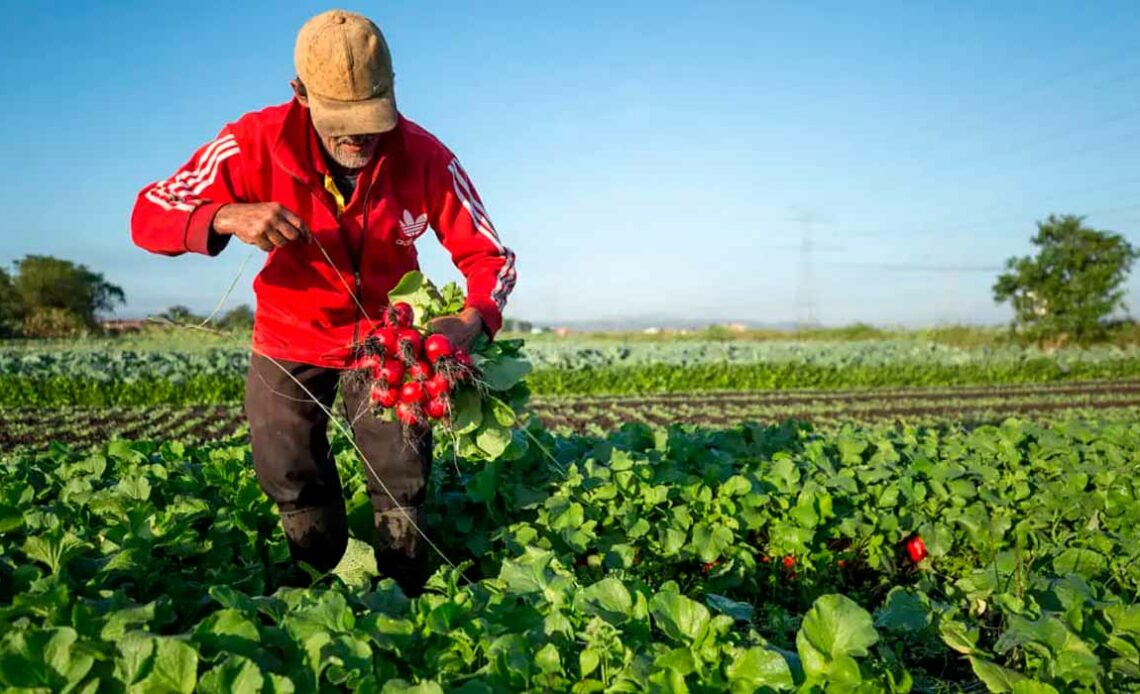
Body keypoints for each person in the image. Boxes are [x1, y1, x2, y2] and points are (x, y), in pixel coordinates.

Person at [130, 9, 516, 594]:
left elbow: (492, 258)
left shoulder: (424, 155)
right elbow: (149, 212)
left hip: (386, 344)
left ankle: (405, 595)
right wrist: (226, 216)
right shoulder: (251, 143)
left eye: (371, 114)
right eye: (342, 118)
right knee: (287, 466)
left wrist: (471, 321)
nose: (359, 134)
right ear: (300, 94)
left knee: (402, 470)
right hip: (291, 334)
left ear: (392, 90)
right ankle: (317, 587)